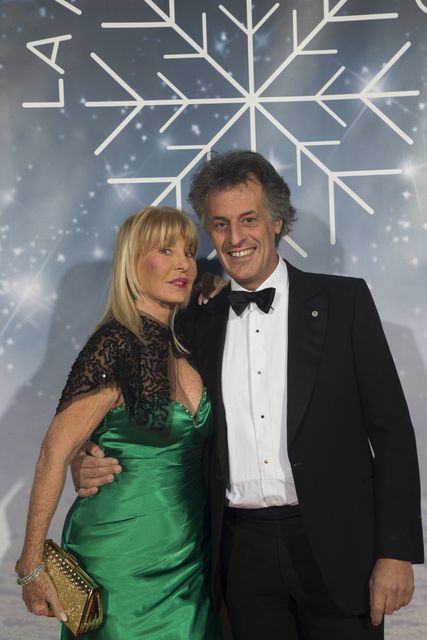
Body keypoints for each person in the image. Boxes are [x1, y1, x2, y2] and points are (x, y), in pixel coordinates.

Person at [74, 152, 424, 640]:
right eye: (220, 224)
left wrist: (396, 551)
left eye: (248, 219)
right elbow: (152, 426)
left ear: (277, 221)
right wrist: (87, 458)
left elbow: (391, 432)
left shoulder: (345, 302)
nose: (235, 238)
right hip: (239, 558)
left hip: (339, 549)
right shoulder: (191, 323)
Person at [16, 206, 221, 639]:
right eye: (165, 250)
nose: (183, 264)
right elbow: (54, 453)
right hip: (119, 559)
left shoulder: (184, 346)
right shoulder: (113, 345)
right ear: (132, 262)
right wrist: (31, 565)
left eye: (188, 252)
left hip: (188, 561)